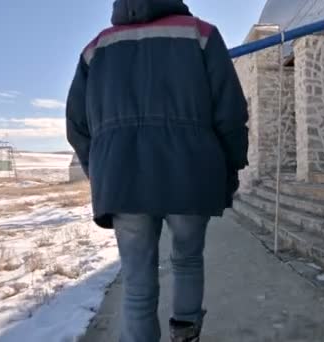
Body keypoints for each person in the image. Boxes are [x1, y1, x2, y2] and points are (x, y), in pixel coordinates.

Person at [65, 0, 249, 341]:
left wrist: (102, 171)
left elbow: (77, 125)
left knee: (136, 284)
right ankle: (185, 336)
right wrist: (231, 168)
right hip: (192, 174)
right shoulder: (200, 34)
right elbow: (231, 112)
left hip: (122, 180)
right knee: (188, 261)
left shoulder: (96, 47)